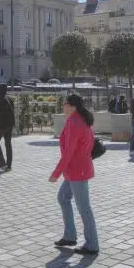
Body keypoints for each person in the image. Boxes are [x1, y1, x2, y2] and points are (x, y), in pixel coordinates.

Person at [51, 93, 99, 256]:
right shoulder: (80, 119)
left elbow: (69, 152)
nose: (62, 106)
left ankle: (92, 244)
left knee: (84, 207)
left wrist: (56, 173)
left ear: (72, 106)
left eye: (64, 103)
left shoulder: (74, 122)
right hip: (77, 169)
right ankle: (70, 236)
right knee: (63, 198)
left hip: (77, 170)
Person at [0, 83, 15, 172]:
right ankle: (8, 165)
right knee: (8, 144)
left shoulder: (1, 99)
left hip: (3, 125)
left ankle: (2, 162)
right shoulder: (9, 98)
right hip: (10, 124)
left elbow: (0, 115)